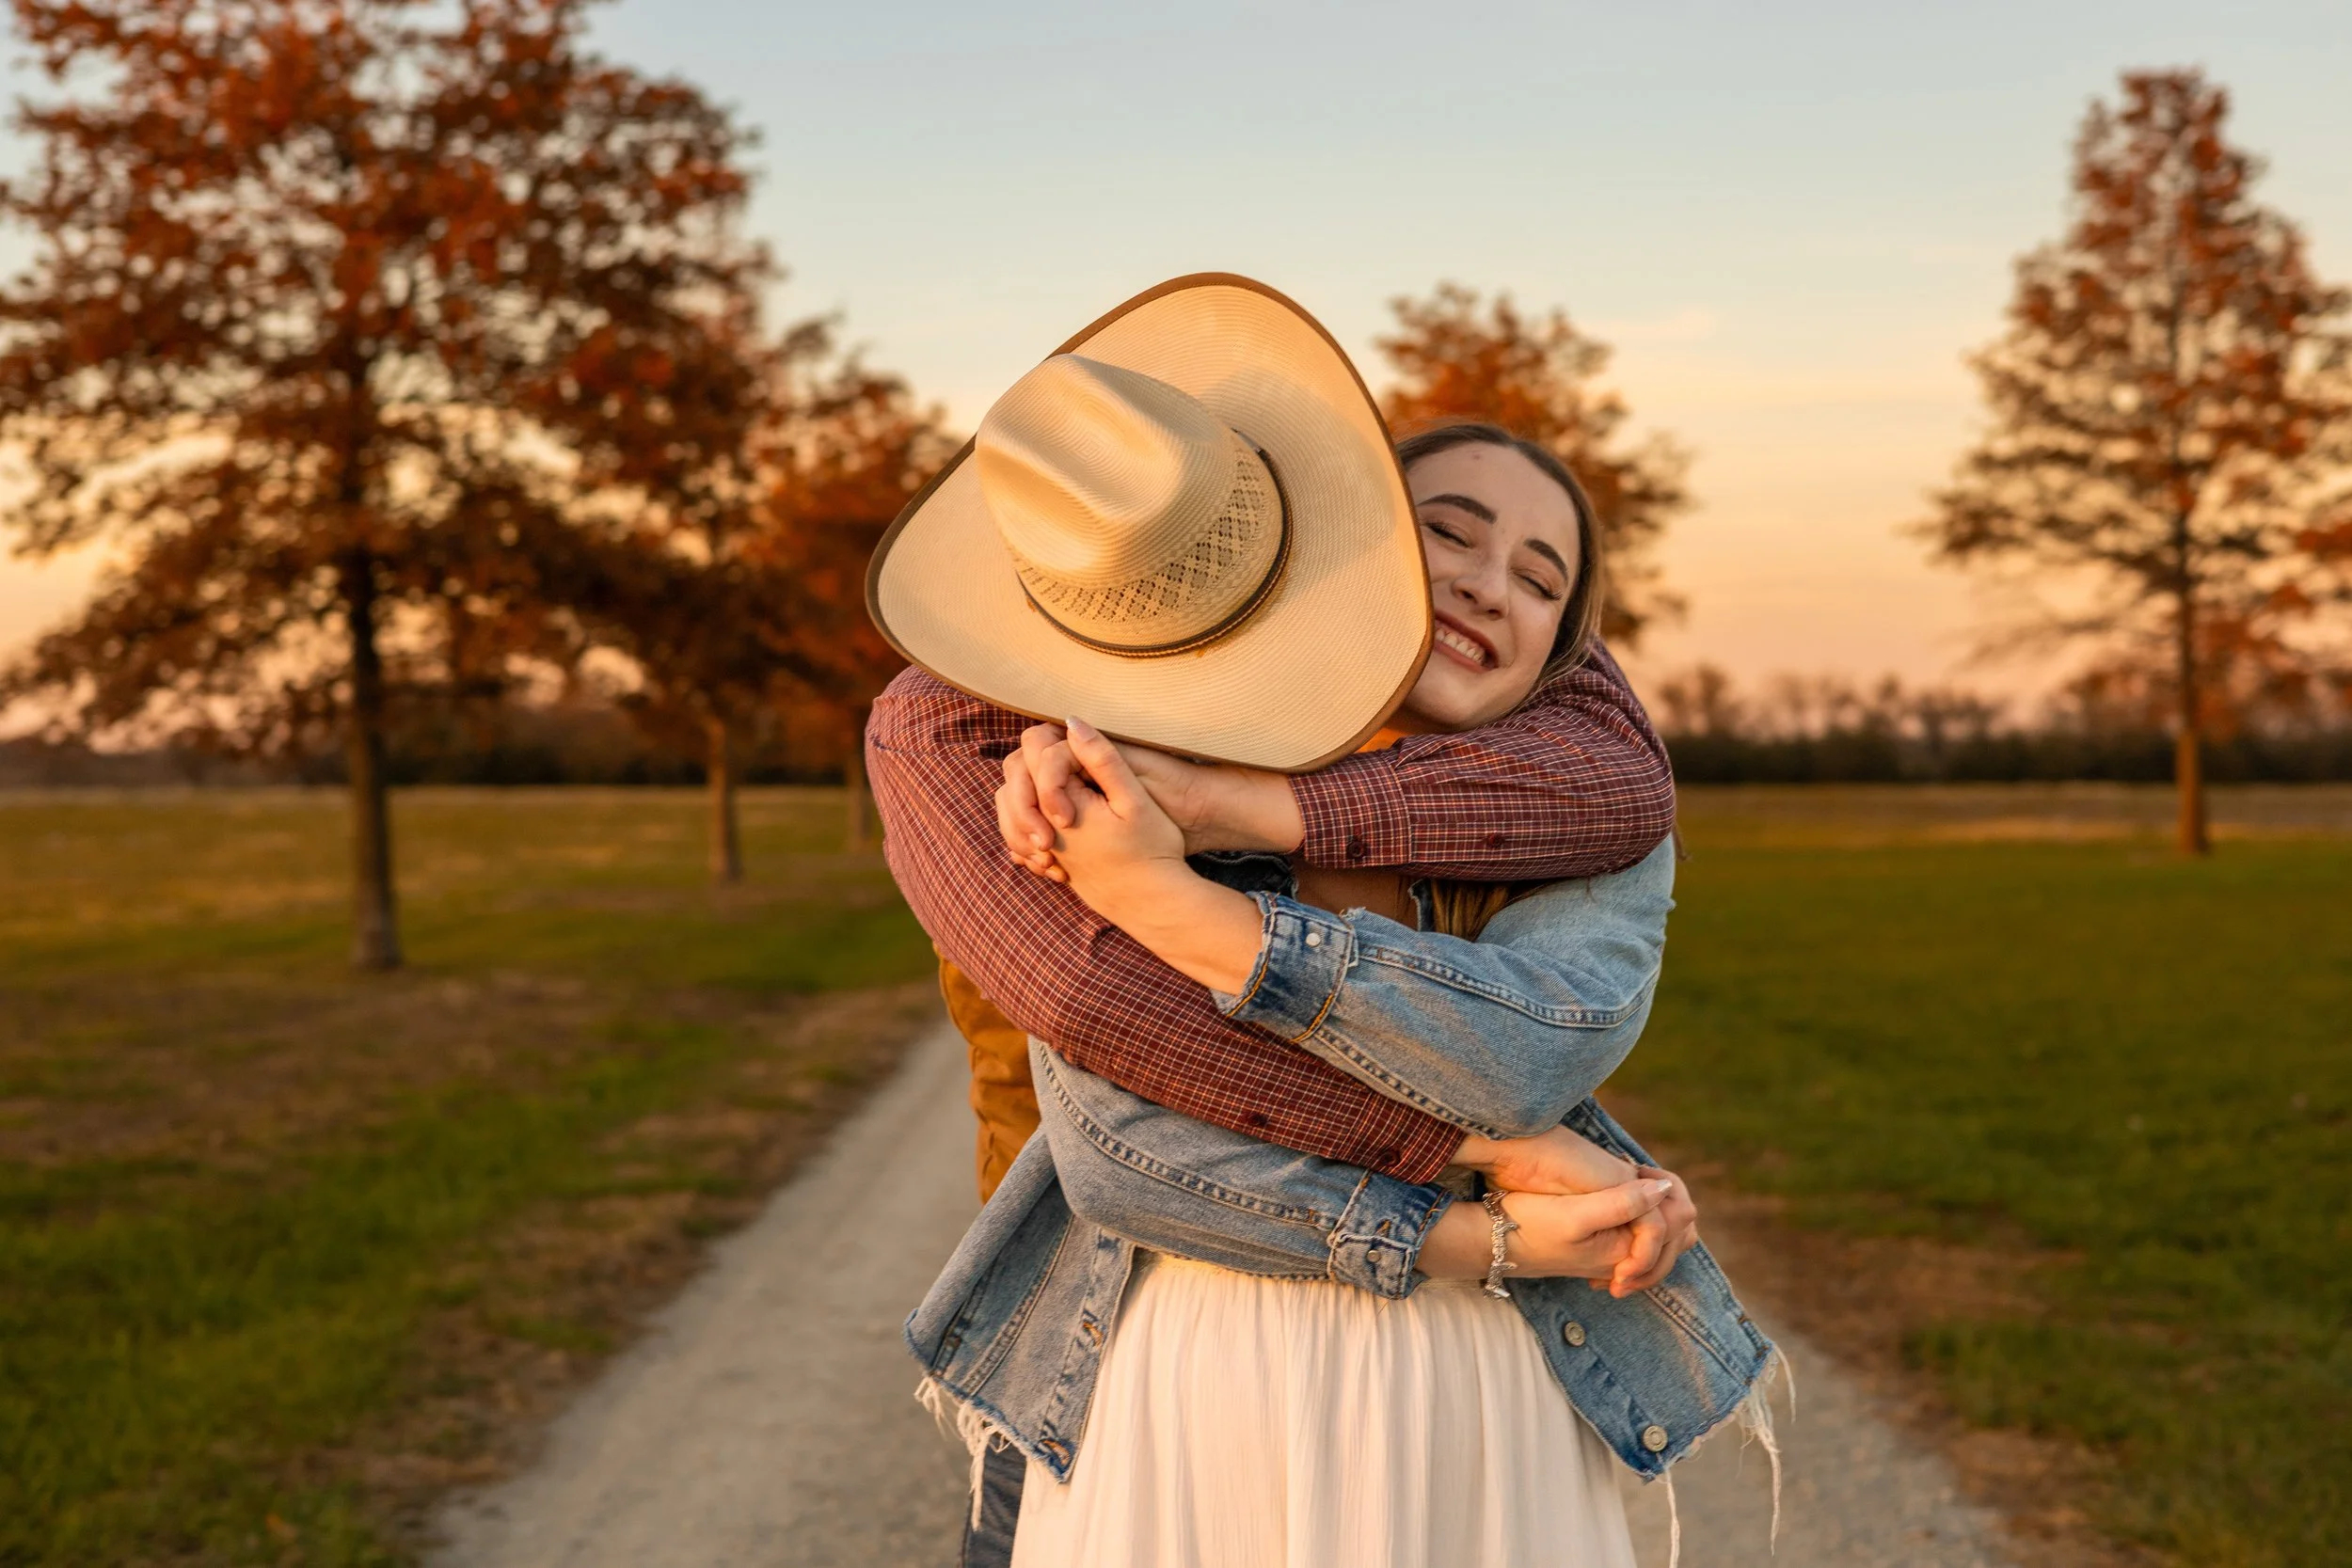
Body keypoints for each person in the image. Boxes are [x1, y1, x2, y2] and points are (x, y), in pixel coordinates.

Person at [864, 277, 1779, 1567]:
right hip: (1140, 1342)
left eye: (1540, 578)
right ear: (1364, 546)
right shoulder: (1040, 757)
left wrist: (1215, 849)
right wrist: (1489, 1183)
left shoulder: (1565, 786)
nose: (1488, 586)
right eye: (1446, 533)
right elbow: (1121, 1117)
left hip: (1475, 1371)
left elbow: (1542, 1036)